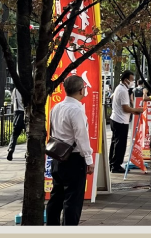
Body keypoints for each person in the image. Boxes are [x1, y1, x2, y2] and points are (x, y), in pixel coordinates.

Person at [46, 75, 95, 226]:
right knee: (73, 199)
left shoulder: (56, 108)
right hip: (74, 159)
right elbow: (81, 137)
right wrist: (89, 159)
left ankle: (52, 227)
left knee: (56, 196)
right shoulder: (76, 110)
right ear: (81, 90)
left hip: (57, 156)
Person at [109, 71, 143, 173]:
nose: (132, 82)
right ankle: (116, 165)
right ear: (125, 80)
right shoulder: (123, 90)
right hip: (120, 121)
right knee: (120, 144)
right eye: (132, 80)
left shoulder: (120, 88)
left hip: (116, 119)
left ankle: (112, 163)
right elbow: (125, 108)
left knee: (115, 142)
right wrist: (136, 110)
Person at [6, 86, 25, 161]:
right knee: (29, 135)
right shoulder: (25, 89)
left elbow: (12, 102)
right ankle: (28, 152)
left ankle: (11, 149)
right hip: (25, 113)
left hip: (17, 113)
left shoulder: (14, 90)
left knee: (14, 134)